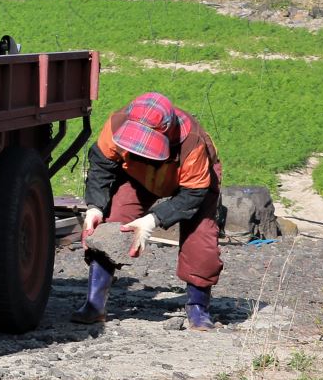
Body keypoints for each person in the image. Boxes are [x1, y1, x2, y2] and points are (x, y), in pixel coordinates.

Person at [73, 91, 223, 331]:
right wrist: (95, 207)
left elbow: (193, 194)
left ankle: (198, 308)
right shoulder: (115, 125)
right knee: (111, 224)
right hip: (138, 175)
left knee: (201, 240)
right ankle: (94, 304)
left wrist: (153, 220)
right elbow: (101, 166)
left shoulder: (192, 142)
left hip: (195, 185)